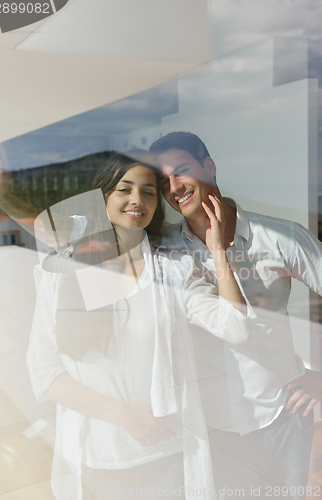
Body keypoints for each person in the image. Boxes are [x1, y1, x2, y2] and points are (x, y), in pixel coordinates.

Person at [26, 151, 250, 500]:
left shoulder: (174, 272)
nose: (137, 200)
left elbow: (235, 327)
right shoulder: (60, 273)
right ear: (103, 199)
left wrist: (217, 250)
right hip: (100, 457)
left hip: (168, 453)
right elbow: (44, 373)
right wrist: (122, 414)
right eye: (124, 189)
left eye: (148, 191)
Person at [149, 132, 322, 500]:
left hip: (284, 416)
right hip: (213, 427)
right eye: (164, 182)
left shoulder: (279, 237)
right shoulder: (166, 255)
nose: (175, 187)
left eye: (181, 172)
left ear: (209, 167)